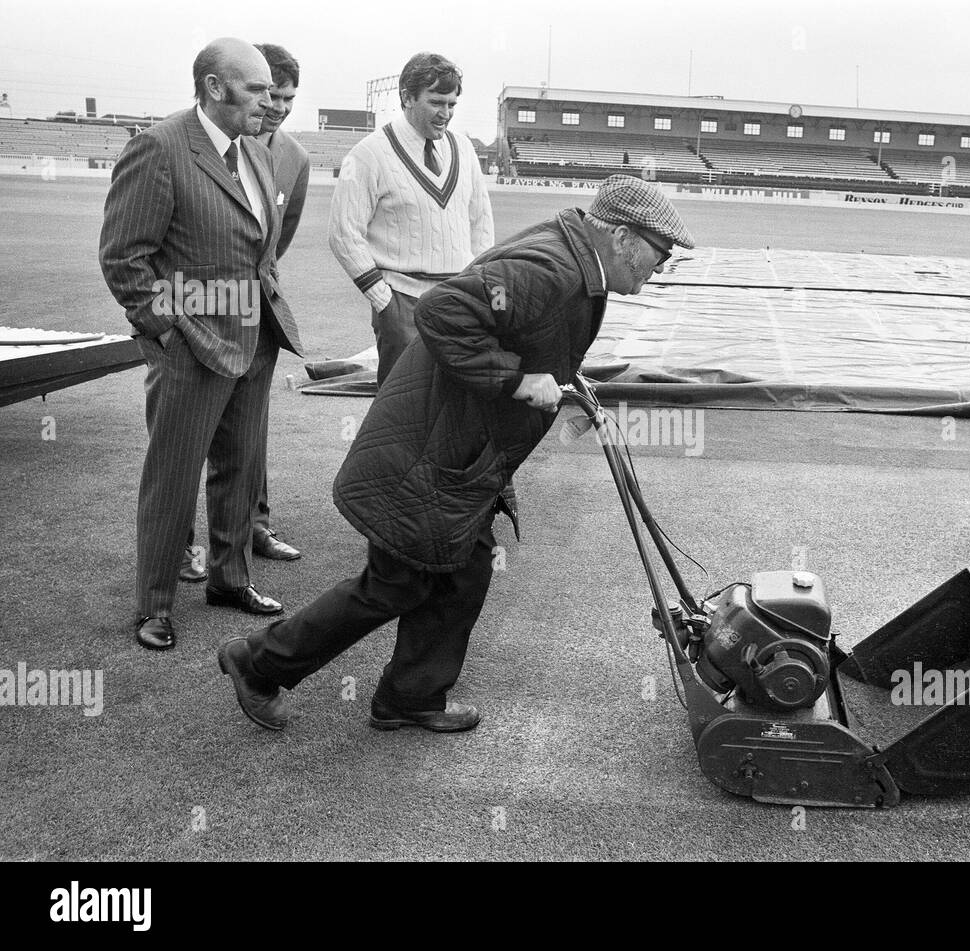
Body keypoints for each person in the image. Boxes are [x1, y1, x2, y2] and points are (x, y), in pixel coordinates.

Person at [218, 174, 694, 733]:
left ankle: (410, 696)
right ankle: (259, 661)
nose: (658, 268)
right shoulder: (551, 269)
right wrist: (518, 380)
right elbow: (442, 312)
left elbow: (512, 325)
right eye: (659, 254)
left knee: (463, 574)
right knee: (395, 583)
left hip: (458, 454)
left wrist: (557, 371)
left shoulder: (571, 258)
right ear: (620, 236)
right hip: (426, 454)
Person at [100, 38, 303, 651]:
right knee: (174, 473)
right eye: (259, 90)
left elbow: (262, 244)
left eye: (273, 91)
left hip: (254, 337)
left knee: (241, 467)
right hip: (191, 344)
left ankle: (229, 578)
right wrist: (167, 332)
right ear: (215, 88)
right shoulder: (159, 148)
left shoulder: (259, 155)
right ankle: (155, 605)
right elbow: (124, 259)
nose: (271, 102)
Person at [327, 51, 493, 387]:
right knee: (399, 410)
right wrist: (383, 300)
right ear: (406, 98)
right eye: (435, 102)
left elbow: (481, 222)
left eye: (451, 104)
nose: (444, 113)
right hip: (401, 299)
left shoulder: (463, 148)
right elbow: (344, 233)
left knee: (456, 403)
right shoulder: (369, 153)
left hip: (457, 298)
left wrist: (476, 288)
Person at [248, 41, 311, 561]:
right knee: (187, 437)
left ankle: (255, 526)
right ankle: (180, 545)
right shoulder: (211, 142)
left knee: (253, 425)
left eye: (289, 97)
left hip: (258, 311)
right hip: (197, 308)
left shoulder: (295, 158)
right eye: (271, 94)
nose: (280, 106)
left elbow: (278, 241)